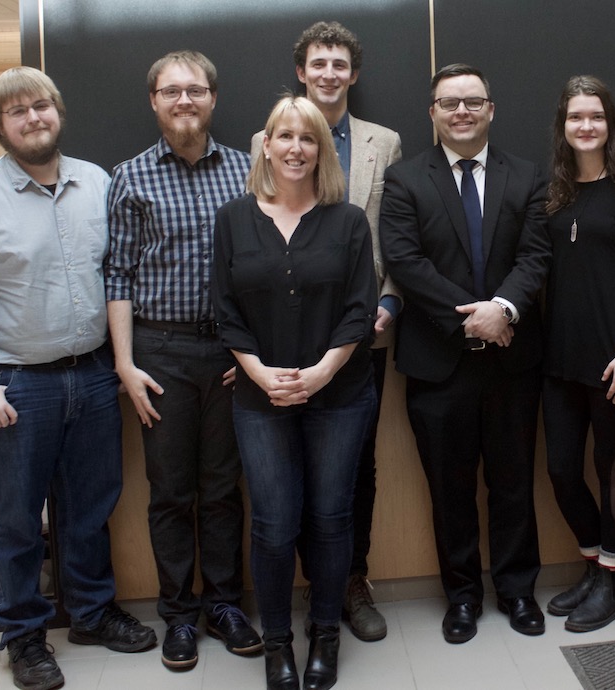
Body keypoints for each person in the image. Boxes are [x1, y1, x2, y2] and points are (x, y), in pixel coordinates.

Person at [0, 66, 156, 690]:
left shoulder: (96, 182)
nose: (32, 119)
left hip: (91, 378)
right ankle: (25, 636)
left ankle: (89, 613)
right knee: (19, 521)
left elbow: (118, 278)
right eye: (16, 112)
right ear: (1, 126)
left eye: (42, 107)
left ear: (58, 111)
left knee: (90, 510)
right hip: (16, 385)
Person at [379, 63, 551, 644]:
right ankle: (461, 597)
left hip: (512, 360)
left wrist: (502, 310)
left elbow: (535, 258)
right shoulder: (404, 180)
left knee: (512, 483)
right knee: (449, 490)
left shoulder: (527, 177)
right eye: (448, 103)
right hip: (438, 361)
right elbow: (405, 262)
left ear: (490, 109)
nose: (461, 112)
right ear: (432, 112)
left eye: (472, 101)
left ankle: (518, 590)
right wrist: (475, 317)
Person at [213, 95, 377, 690]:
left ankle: (325, 637)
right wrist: (259, 375)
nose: (295, 148)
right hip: (261, 401)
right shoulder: (233, 219)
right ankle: (278, 642)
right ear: (265, 144)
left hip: (339, 394)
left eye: (308, 138)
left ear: (322, 149)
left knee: (332, 520)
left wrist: (321, 373)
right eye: (284, 136)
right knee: (275, 524)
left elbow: (360, 310)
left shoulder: (348, 220)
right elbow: (225, 312)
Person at [105, 50, 259, 671]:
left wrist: (251, 353)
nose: (185, 101)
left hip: (228, 352)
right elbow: (115, 274)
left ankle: (223, 603)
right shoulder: (130, 177)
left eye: (196, 90)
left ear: (213, 99)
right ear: (154, 101)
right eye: (172, 92)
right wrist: (124, 363)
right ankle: (177, 615)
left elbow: (267, 271)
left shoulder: (249, 171)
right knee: (170, 492)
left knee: (223, 487)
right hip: (159, 353)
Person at [250, 20, 402, 642]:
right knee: (284, 476)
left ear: (354, 74)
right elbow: (257, 243)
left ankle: (350, 582)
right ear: (302, 71)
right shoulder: (268, 139)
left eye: (340, 64)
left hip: (363, 335)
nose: (330, 74)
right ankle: (303, 594)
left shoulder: (383, 142)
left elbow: (393, 236)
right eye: (319, 64)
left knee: (353, 468)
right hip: (282, 345)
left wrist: (389, 302)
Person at [540, 75, 615, 633]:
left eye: (596, 116)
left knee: (611, 469)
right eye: (575, 117)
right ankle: (593, 564)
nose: (585, 126)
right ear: (563, 126)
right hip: (559, 358)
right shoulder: (555, 192)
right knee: (562, 471)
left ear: (610, 124)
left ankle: (613, 582)